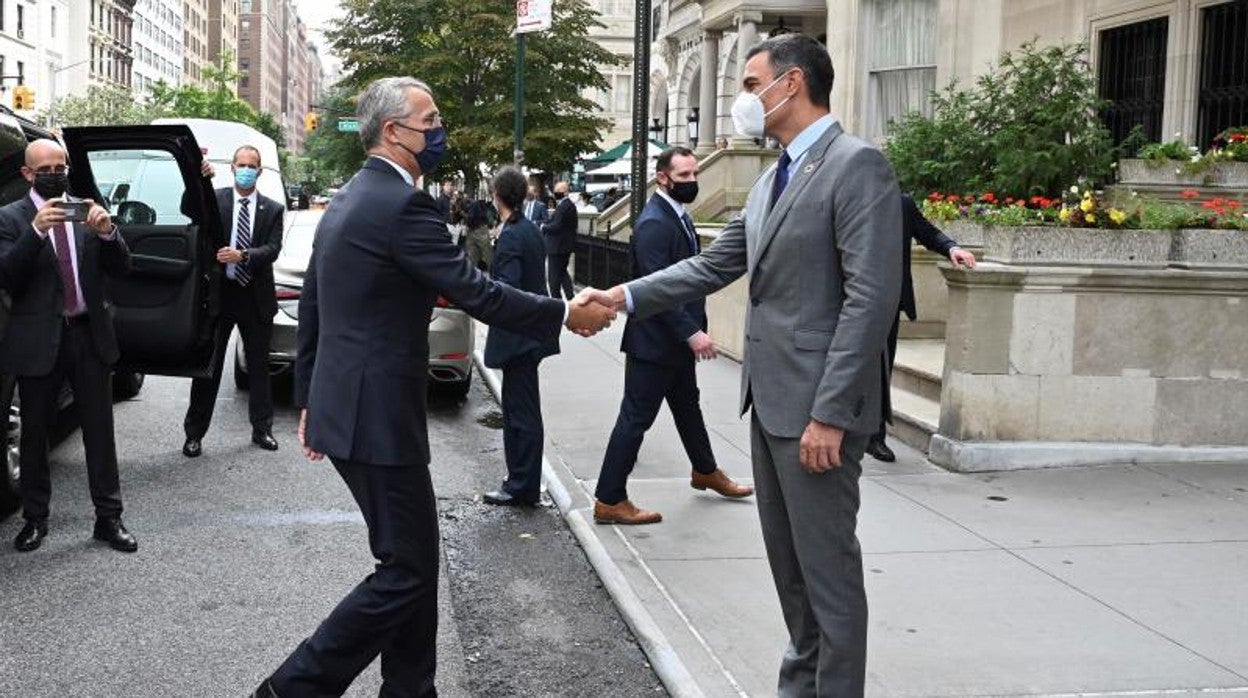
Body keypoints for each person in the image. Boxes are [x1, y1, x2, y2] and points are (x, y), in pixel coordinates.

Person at [252, 76, 615, 698]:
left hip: (357, 408)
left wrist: (310, 394)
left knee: (409, 562)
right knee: (408, 571)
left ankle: (412, 690)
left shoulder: (349, 197)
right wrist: (562, 313)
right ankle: (293, 688)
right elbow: (475, 290)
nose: (440, 130)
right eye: (431, 119)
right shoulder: (400, 205)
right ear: (395, 131)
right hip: (376, 416)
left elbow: (314, 301)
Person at [582, 34, 902, 695]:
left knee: (829, 578)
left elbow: (872, 299)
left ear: (792, 84)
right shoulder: (773, 177)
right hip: (773, 404)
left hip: (819, 416)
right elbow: (710, 265)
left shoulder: (856, 165)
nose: (744, 100)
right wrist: (621, 296)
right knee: (792, 574)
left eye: (752, 85)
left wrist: (831, 414)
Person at [593, 147, 753, 525]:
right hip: (654, 344)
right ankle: (609, 498)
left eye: (694, 174)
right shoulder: (653, 224)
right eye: (683, 176)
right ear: (662, 178)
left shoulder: (676, 216)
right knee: (635, 419)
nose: (692, 181)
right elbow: (658, 291)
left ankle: (705, 470)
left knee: (688, 407)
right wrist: (692, 333)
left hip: (672, 345)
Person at [0, 139, 137, 553]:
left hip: (87, 335)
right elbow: (8, 276)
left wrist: (109, 232)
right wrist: (37, 231)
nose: (56, 172)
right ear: (28, 174)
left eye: (62, 164)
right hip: (39, 338)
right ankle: (35, 519)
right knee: (35, 433)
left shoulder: (85, 210)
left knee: (99, 430)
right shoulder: (11, 218)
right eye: (47, 167)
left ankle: (109, 519)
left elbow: (123, 267)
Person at [182, 146, 284, 458]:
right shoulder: (218, 198)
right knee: (208, 368)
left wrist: (243, 256)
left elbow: (273, 249)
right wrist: (197, 181)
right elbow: (189, 209)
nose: (246, 170)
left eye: (252, 166)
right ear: (232, 168)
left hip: (255, 296)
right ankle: (194, 434)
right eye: (241, 164)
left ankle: (262, 429)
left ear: (260, 171)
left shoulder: (273, 208)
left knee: (258, 367)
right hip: (220, 296)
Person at [867, 194, 976, 462]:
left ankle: (874, 435)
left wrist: (952, 248)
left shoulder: (900, 202)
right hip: (844, 298)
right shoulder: (843, 198)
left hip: (887, 299)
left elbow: (926, 231)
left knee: (881, 366)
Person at [482, 167, 560, 507]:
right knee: (520, 411)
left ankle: (522, 485)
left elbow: (508, 289)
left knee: (521, 414)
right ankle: (520, 480)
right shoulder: (525, 230)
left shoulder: (513, 234)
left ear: (497, 195)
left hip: (519, 337)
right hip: (528, 334)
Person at [540, 181, 577, 299]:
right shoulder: (565, 205)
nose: (556, 194)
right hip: (562, 247)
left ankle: (559, 304)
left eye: (558, 192)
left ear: (565, 192)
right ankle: (571, 299)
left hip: (558, 247)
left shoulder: (565, 206)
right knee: (562, 274)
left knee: (553, 281)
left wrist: (543, 227)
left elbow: (556, 226)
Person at [463, 196, 493, 273]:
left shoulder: (471, 205)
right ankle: (494, 276)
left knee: (472, 257)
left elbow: (471, 218)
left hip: (474, 230)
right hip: (481, 229)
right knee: (487, 256)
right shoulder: (478, 204)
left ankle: (472, 277)